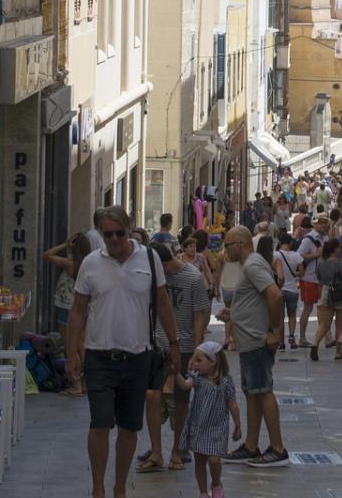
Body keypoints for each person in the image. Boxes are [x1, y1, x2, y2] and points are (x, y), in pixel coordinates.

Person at [66, 206, 181, 498]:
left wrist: (175, 344)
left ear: (129, 229)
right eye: (108, 234)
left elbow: (164, 303)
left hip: (138, 356)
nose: (114, 239)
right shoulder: (91, 264)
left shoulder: (150, 258)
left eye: (119, 232)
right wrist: (72, 354)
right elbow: (78, 311)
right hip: (99, 356)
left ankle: (119, 487)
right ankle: (98, 488)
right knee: (100, 423)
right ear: (100, 234)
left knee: (130, 427)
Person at [137, 242, 211, 473]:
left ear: (164, 263)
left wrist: (197, 350)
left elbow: (201, 315)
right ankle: (156, 451)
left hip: (185, 346)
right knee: (151, 396)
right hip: (155, 344)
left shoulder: (193, 278)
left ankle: (178, 451)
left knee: (181, 401)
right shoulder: (152, 277)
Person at [218, 225, 289, 467]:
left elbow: (275, 295)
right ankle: (251, 445)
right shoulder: (251, 265)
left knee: (262, 391)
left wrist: (273, 331)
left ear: (239, 244)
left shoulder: (252, 264)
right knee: (252, 393)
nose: (225, 251)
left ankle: (277, 448)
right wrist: (234, 313)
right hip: (249, 341)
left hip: (257, 340)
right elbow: (256, 298)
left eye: (227, 245)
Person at [175, 341, 242, 498]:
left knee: (213, 460)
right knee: (199, 460)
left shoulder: (225, 382)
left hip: (216, 427)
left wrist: (238, 424)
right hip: (198, 425)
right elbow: (185, 385)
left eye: (199, 360)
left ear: (213, 362)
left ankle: (216, 483)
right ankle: (203, 492)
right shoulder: (198, 379)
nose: (194, 364)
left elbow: (232, 404)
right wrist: (175, 373)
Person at [44, 232, 93, 396]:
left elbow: (47, 255)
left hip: (67, 308)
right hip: (84, 307)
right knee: (81, 346)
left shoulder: (69, 263)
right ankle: (86, 383)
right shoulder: (90, 264)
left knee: (70, 348)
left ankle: (76, 384)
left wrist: (65, 245)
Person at [311, 237, 342, 361]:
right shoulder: (340, 263)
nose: (340, 249)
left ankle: (315, 344)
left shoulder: (320, 262)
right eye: (339, 247)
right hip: (339, 293)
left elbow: (318, 279)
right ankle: (338, 352)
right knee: (339, 324)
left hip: (325, 292)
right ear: (334, 249)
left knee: (324, 323)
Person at [297, 214, 328, 347]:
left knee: (324, 308)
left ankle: (327, 337)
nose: (323, 225)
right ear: (315, 224)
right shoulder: (308, 239)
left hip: (322, 279)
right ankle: (302, 338)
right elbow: (298, 256)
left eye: (324, 223)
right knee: (308, 309)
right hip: (309, 278)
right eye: (320, 223)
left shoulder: (325, 237)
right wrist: (315, 255)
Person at [273, 232, 303, 350]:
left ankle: (281, 342)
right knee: (292, 315)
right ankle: (291, 336)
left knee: (280, 317)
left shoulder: (275, 255)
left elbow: (272, 270)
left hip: (280, 289)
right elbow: (302, 272)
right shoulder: (296, 256)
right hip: (293, 290)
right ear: (290, 243)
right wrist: (294, 274)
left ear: (280, 242)